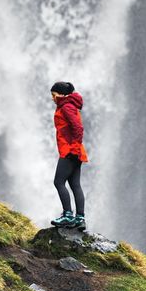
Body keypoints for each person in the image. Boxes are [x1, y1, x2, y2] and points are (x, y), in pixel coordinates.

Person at [50, 81, 88, 230]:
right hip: (75, 151)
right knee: (75, 184)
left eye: (53, 95)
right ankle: (80, 218)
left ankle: (68, 215)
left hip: (70, 151)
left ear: (61, 94)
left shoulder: (66, 106)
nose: (52, 98)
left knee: (58, 182)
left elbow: (78, 128)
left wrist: (74, 148)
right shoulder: (68, 105)